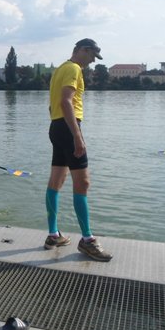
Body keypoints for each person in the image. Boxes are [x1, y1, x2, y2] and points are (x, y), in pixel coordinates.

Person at [44, 39, 113, 262]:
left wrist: (61, 129)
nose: (93, 61)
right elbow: (66, 102)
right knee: (82, 183)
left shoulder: (60, 69)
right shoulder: (74, 69)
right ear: (83, 50)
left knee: (56, 181)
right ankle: (87, 240)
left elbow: (53, 105)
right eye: (92, 55)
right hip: (67, 127)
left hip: (56, 126)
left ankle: (53, 235)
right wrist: (76, 136)